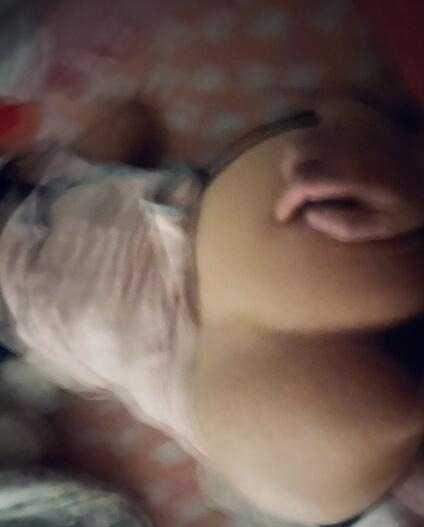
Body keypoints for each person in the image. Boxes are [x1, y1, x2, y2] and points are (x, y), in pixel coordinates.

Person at [1, 90, 424, 527]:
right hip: (240, 240)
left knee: (264, 479)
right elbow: (128, 120)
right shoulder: (46, 185)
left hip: (251, 405)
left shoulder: (31, 329)